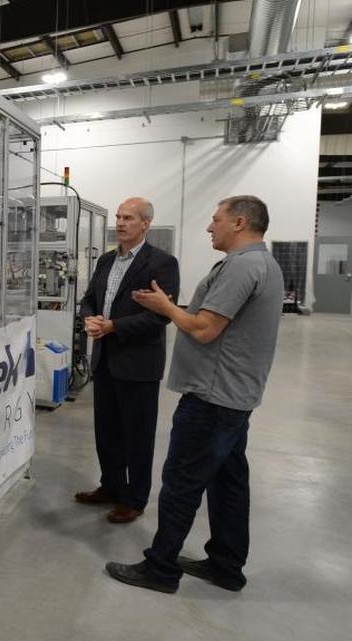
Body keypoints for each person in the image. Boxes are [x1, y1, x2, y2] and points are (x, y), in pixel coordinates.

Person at [106, 195, 284, 593]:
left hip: (212, 397)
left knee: (181, 482)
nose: (209, 227)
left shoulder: (242, 266)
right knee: (228, 482)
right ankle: (226, 564)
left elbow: (204, 329)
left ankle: (160, 568)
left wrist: (166, 307)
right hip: (236, 395)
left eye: (216, 219)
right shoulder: (264, 264)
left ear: (239, 223)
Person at [75, 197, 179, 524]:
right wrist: (90, 319)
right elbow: (89, 299)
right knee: (106, 432)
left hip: (138, 363)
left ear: (146, 223)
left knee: (137, 435)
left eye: (129, 218)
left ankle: (135, 499)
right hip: (105, 359)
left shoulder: (162, 263)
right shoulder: (106, 260)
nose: (120, 223)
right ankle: (111, 486)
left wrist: (113, 326)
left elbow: (160, 316)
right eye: (119, 217)